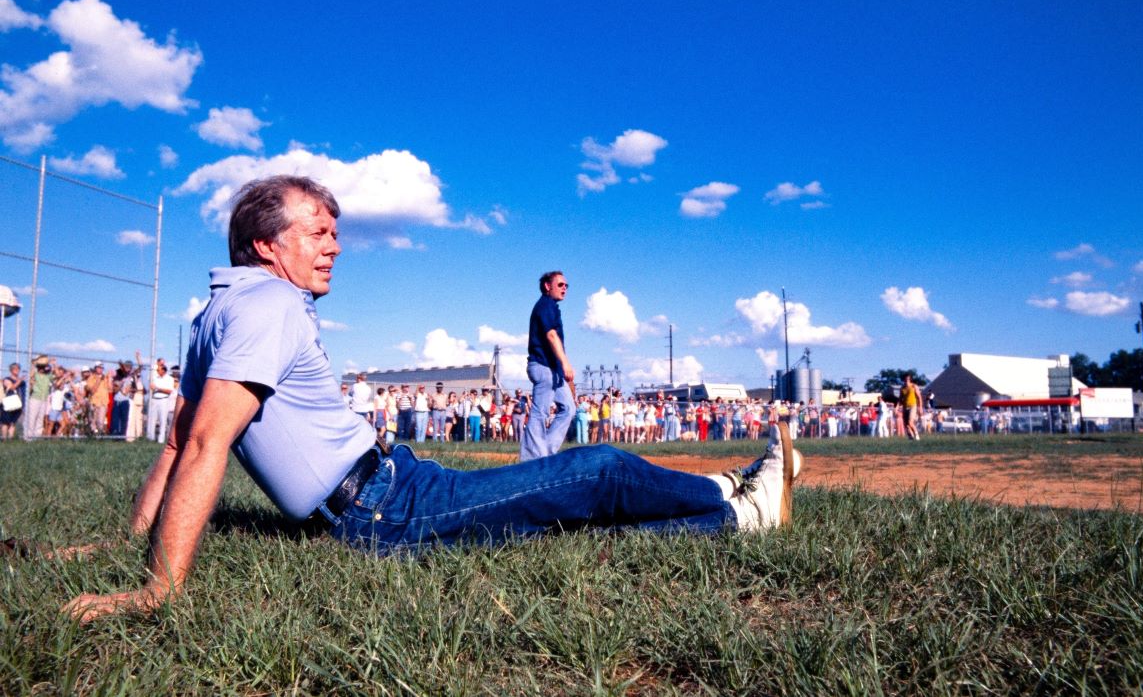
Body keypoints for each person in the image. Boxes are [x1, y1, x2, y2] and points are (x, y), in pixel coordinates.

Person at [62, 175, 801, 622]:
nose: (334, 245)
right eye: (317, 231)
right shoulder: (267, 308)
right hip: (385, 507)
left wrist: (133, 540)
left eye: (336, 231)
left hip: (393, 484)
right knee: (595, 470)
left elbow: (174, 444)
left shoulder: (215, 311)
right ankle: (741, 510)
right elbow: (200, 445)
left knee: (567, 522)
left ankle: (722, 495)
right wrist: (157, 590)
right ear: (266, 244)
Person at [519, 270, 576, 461]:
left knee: (569, 408)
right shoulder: (545, 305)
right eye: (560, 285)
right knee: (539, 412)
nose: (565, 289)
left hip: (554, 371)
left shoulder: (552, 307)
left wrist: (563, 368)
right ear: (547, 286)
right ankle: (531, 460)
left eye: (567, 286)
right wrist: (566, 362)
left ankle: (547, 453)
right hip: (543, 367)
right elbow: (551, 335)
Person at [1, 362, 23, 440]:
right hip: (9, 404)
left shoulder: (21, 381)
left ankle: (10, 439)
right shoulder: (7, 379)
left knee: (13, 423)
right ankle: (4, 438)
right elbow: (12, 387)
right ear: (11, 370)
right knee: (5, 422)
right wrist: (20, 380)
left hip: (18, 404)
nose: (17, 370)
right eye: (15, 368)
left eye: (18, 368)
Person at [900, 374, 923, 441]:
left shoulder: (914, 386)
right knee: (906, 425)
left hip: (913, 405)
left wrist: (920, 407)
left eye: (908, 379)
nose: (907, 380)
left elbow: (919, 397)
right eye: (905, 379)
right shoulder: (902, 388)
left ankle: (916, 434)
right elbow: (900, 399)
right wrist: (897, 407)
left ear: (910, 380)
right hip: (905, 407)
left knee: (910, 422)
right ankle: (911, 437)